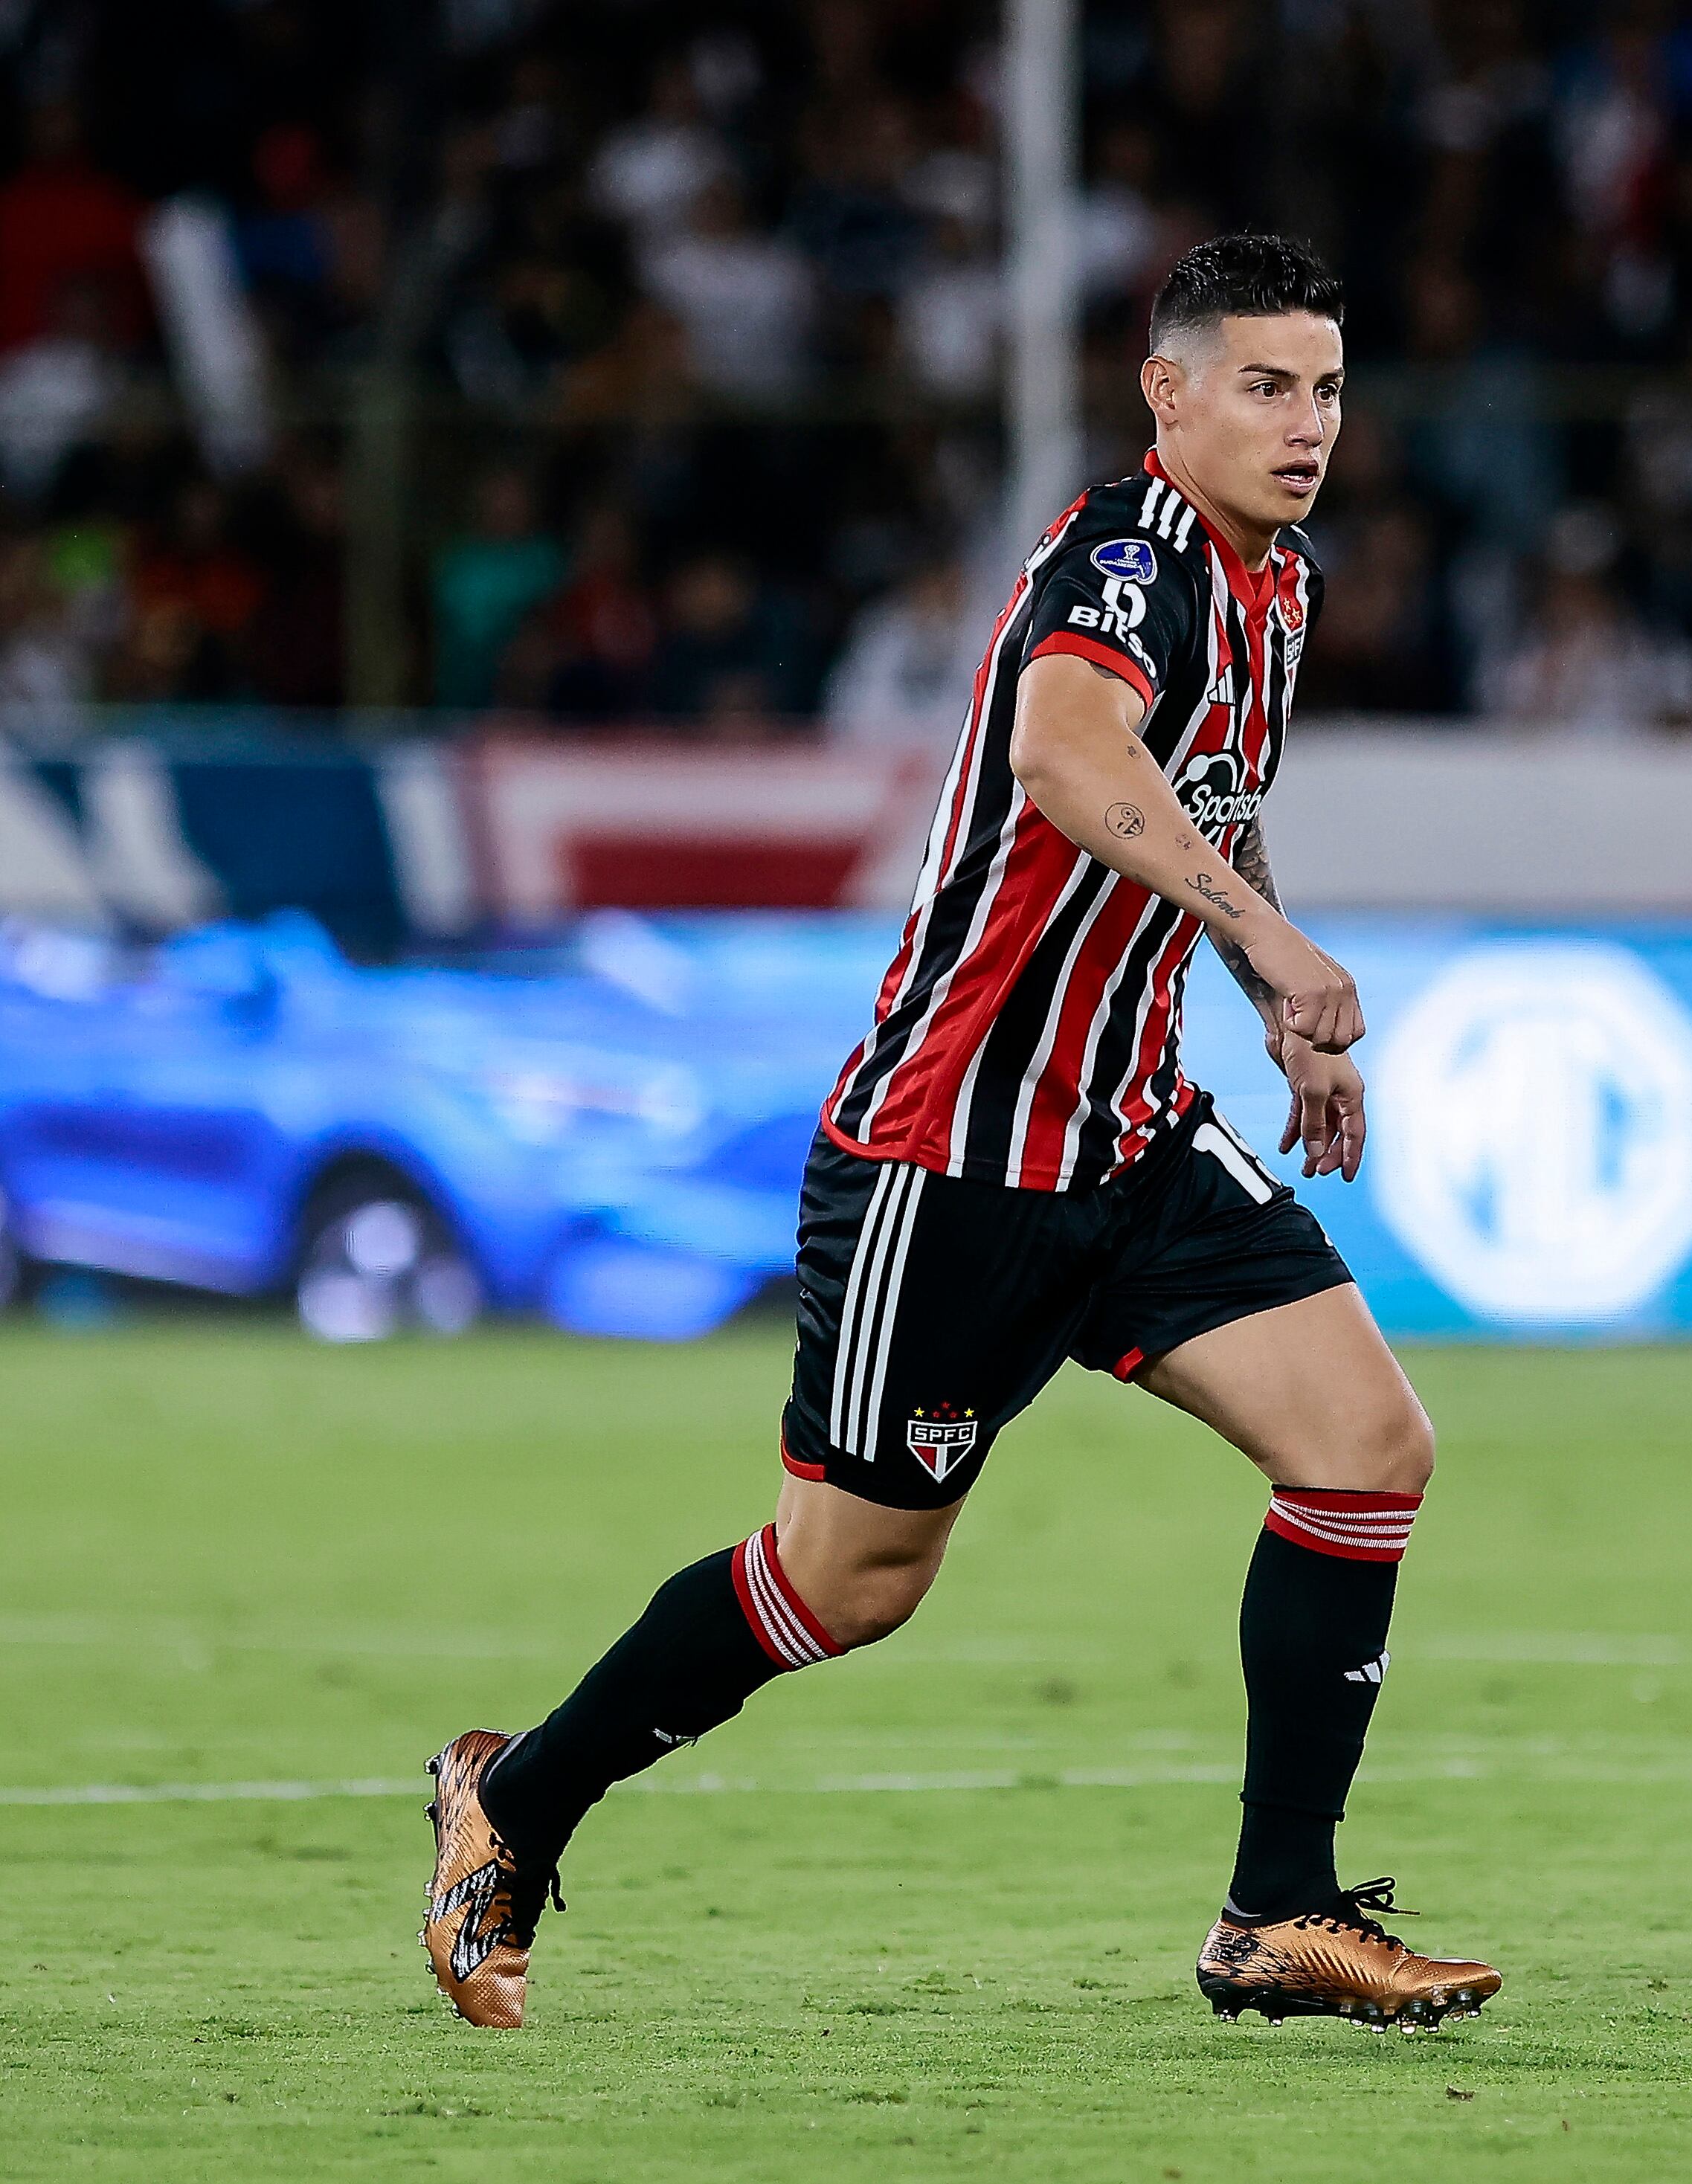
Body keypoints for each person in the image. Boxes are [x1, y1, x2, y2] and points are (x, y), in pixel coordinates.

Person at [421, 234, 1500, 2035]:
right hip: (953, 1156)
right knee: (852, 1579)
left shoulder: (1278, 582)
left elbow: (1204, 801)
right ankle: (513, 1800)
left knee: (1368, 1444)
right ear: (1170, 393)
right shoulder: (1126, 563)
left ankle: (1279, 1912)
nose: (1307, 423)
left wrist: (1267, 1002)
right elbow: (1070, 762)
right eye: (1265, 384)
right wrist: (1269, 937)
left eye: (1325, 388)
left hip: (1133, 1133)